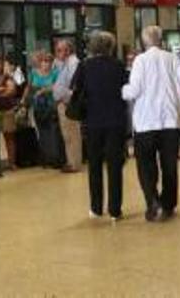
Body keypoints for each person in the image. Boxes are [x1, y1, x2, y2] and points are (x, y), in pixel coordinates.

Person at [122, 26, 180, 222]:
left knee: (146, 164)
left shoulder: (140, 60)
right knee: (169, 164)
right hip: (170, 120)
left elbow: (134, 90)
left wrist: (122, 90)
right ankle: (168, 204)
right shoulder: (172, 58)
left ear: (144, 42)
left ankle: (153, 202)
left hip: (146, 122)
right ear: (161, 40)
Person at [71, 32, 128, 221]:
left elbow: (76, 89)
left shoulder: (84, 66)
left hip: (93, 121)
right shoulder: (119, 66)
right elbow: (126, 89)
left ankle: (96, 208)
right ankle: (115, 209)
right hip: (116, 121)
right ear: (110, 46)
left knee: (94, 165)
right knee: (114, 165)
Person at [24, 51, 63, 169]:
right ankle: (45, 158)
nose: (46, 64)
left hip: (51, 105)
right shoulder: (33, 73)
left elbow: (57, 86)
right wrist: (23, 101)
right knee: (41, 131)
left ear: (52, 63)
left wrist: (43, 90)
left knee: (53, 131)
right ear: (39, 63)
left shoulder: (56, 73)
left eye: (48, 61)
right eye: (43, 61)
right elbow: (29, 87)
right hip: (37, 106)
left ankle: (56, 158)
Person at [53, 40, 82, 174]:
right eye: (57, 50)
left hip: (68, 103)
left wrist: (68, 99)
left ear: (68, 50)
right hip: (62, 102)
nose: (58, 53)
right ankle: (70, 161)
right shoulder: (63, 64)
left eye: (60, 50)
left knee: (72, 134)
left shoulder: (73, 63)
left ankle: (74, 163)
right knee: (67, 135)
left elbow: (74, 84)